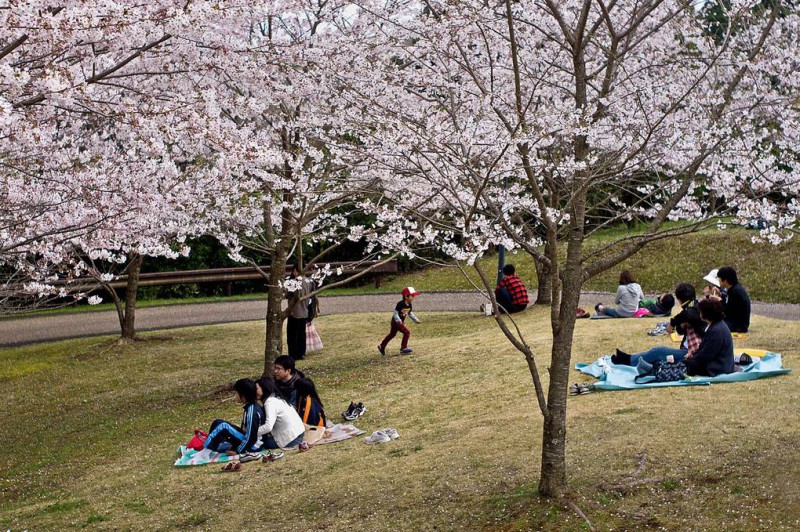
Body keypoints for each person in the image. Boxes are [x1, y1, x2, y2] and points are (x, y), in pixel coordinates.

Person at [612, 283, 705, 366]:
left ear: (679, 299)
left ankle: (628, 360)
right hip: (688, 349)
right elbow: (681, 330)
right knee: (657, 354)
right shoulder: (692, 307)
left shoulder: (695, 309)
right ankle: (630, 358)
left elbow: (688, 314)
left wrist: (673, 322)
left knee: (658, 351)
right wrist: (680, 325)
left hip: (692, 353)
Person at [203, 378, 264, 455]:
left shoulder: (252, 411)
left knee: (222, 426)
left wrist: (238, 451)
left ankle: (205, 453)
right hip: (247, 440)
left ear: (243, 395)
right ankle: (210, 449)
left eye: (237, 393)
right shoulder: (250, 407)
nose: (235, 396)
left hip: (253, 446)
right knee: (217, 422)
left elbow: (251, 438)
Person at [684, 298, 734, 377]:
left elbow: (706, 355)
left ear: (705, 314)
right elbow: (704, 350)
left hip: (717, 368)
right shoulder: (717, 325)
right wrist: (693, 354)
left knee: (682, 364)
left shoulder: (716, 330)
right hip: (719, 364)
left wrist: (691, 360)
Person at [255, 377, 306, 449]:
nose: (254, 391)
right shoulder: (277, 398)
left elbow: (268, 427)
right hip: (298, 434)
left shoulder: (270, 402)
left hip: (291, 439)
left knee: (257, 444)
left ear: (264, 387)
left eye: (256, 388)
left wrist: (251, 432)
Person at [378, 286, 421, 355]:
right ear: (406, 296)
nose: (413, 297)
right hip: (396, 322)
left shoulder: (409, 305)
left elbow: (410, 313)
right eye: (412, 296)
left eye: (413, 296)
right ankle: (403, 349)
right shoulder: (400, 304)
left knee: (392, 334)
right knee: (407, 332)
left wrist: (416, 320)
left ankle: (381, 346)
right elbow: (395, 313)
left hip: (399, 322)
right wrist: (399, 321)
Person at [285, 265, 313, 360]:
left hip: (294, 311)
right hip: (304, 311)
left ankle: (293, 354)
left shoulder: (293, 281)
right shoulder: (308, 281)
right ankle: (301, 353)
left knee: (292, 335)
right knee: (301, 334)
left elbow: (288, 294)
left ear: (295, 271)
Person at [714, 266, 751, 333]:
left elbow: (728, 312)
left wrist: (719, 300)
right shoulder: (734, 289)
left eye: (719, 278)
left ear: (725, 280)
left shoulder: (735, 292)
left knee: (713, 324)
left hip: (738, 326)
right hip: (735, 323)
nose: (718, 280)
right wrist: (721, 295)